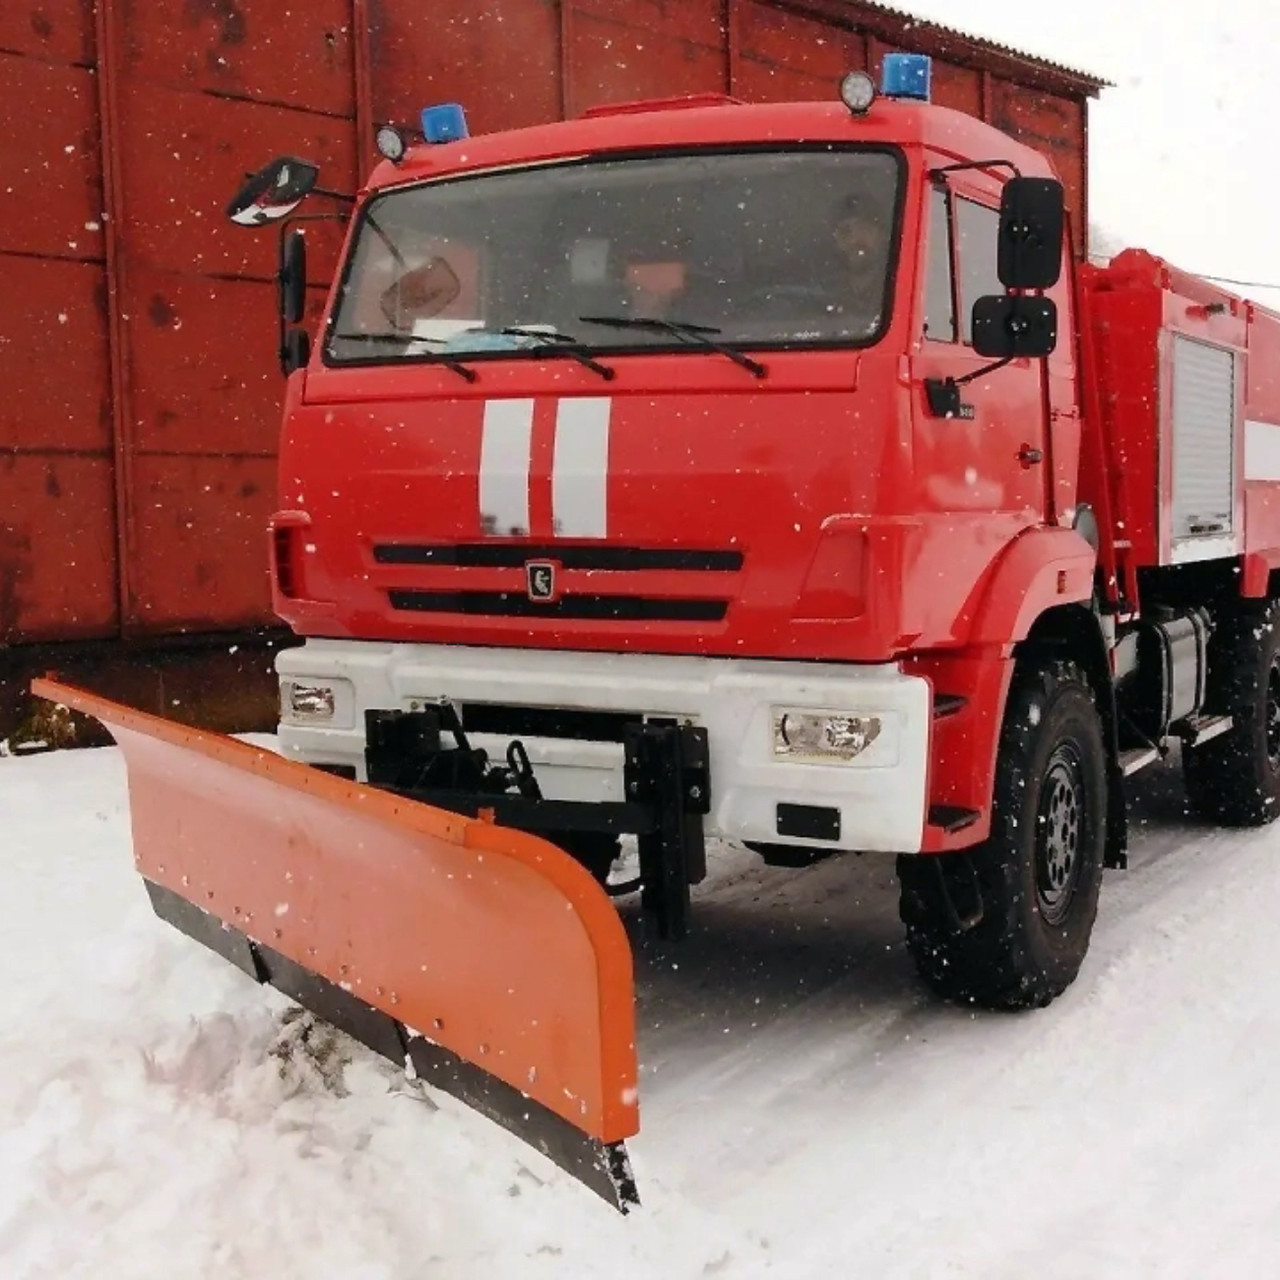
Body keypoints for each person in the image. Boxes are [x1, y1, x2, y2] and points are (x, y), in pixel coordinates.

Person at [830, 195, 891, 334]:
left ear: (882, 236)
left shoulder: (900, 294)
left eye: (864, 230)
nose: (855, 240)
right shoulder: (818, 296)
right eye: (845, 232)